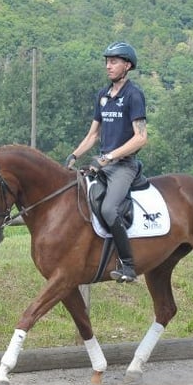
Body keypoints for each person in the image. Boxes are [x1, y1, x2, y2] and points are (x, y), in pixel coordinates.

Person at [66, 41, 148, 283]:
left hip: (123, 166)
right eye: (107, 61)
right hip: (101, 165)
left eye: (113, 62)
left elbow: (141, 137)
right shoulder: (103, 96)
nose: (108, 66)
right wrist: (74, 155)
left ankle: (129, 266)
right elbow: (93, 135)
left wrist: (108, 157)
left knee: (109, 209)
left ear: (127, 65)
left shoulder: (134, 95)